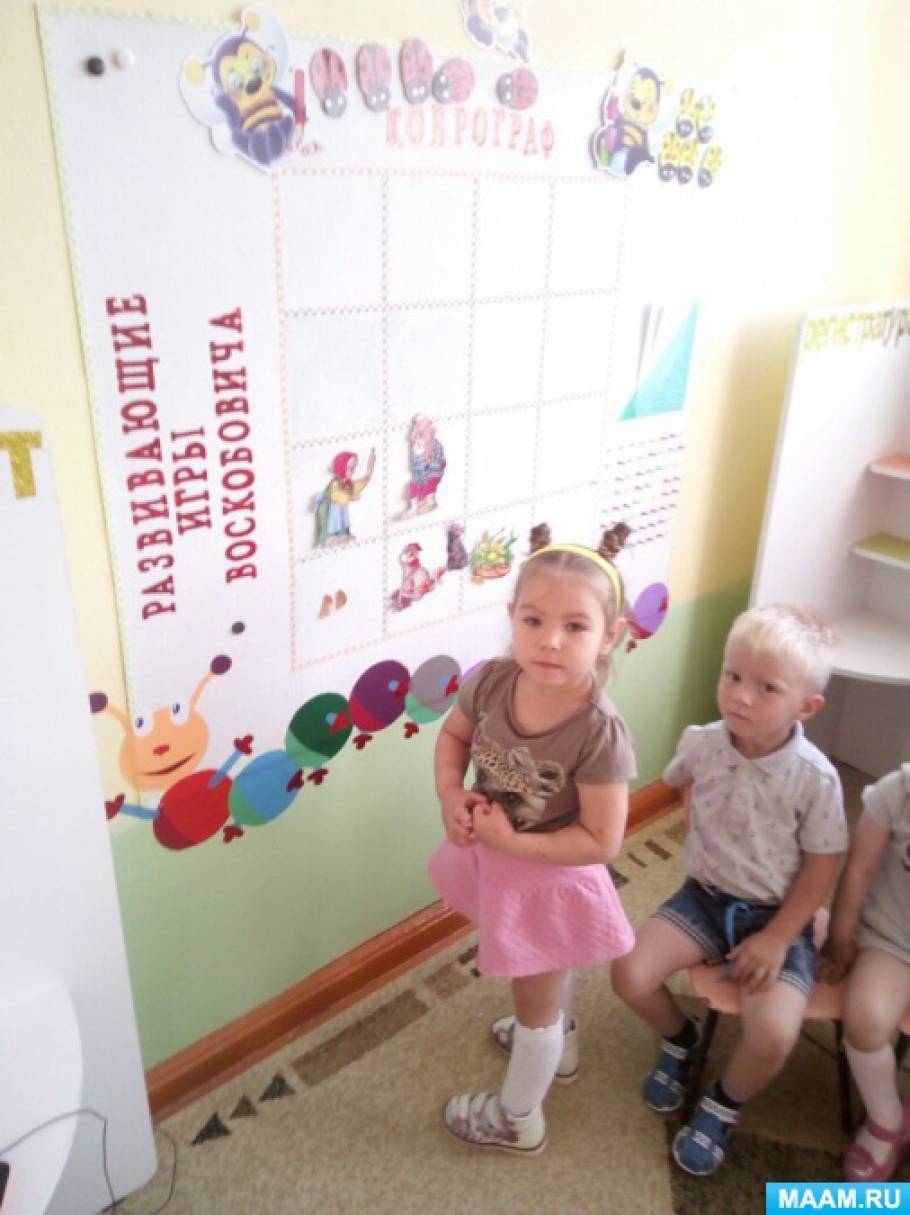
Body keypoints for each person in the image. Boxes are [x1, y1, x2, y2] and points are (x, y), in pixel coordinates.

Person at [612, 604, 846, 1176]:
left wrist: (780, 937)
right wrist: (698, 815)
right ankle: (681, 1037)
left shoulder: (816, 778)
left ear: (806, 706)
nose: (740, 696)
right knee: (629, 974)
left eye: (767, 687)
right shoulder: (703, 741)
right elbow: (680, 782)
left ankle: (722, 1101)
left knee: (773, 1033)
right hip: (705, 898)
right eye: (732, 675)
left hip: (777, 917)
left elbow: (823, 866)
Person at [427, 525, 636, 1155]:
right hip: (503, 858)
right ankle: (561, 1046)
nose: (550, 640)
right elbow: (453, 737)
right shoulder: (494, 681)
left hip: (549, 877)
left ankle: (517, 1118)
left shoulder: (599, 732)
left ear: (609, 636)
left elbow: (602, 840)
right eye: (534, 619)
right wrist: (451, 795)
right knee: (548, 974)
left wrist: (511, 844)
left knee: (533, 1000)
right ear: (512, 616)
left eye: (575, 626)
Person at [819, 763, 910, 1181]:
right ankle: (887, 1117)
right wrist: (840, 940)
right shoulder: (899, 791)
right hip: (893, 940)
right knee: (866, 1020)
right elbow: (858, 870)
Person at [315, 449, 375, 546]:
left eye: (354, 468)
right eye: (351, 468)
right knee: (331, 522)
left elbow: (356, 486)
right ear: (342, 467)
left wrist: (369, 472)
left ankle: (343, 534)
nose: (353, 471)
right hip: (328, 508)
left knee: (343, 518)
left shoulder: (348, 482)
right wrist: (350, 498)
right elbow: (336, 496)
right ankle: (328, 537)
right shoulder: (335, 482)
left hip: (340, 507)